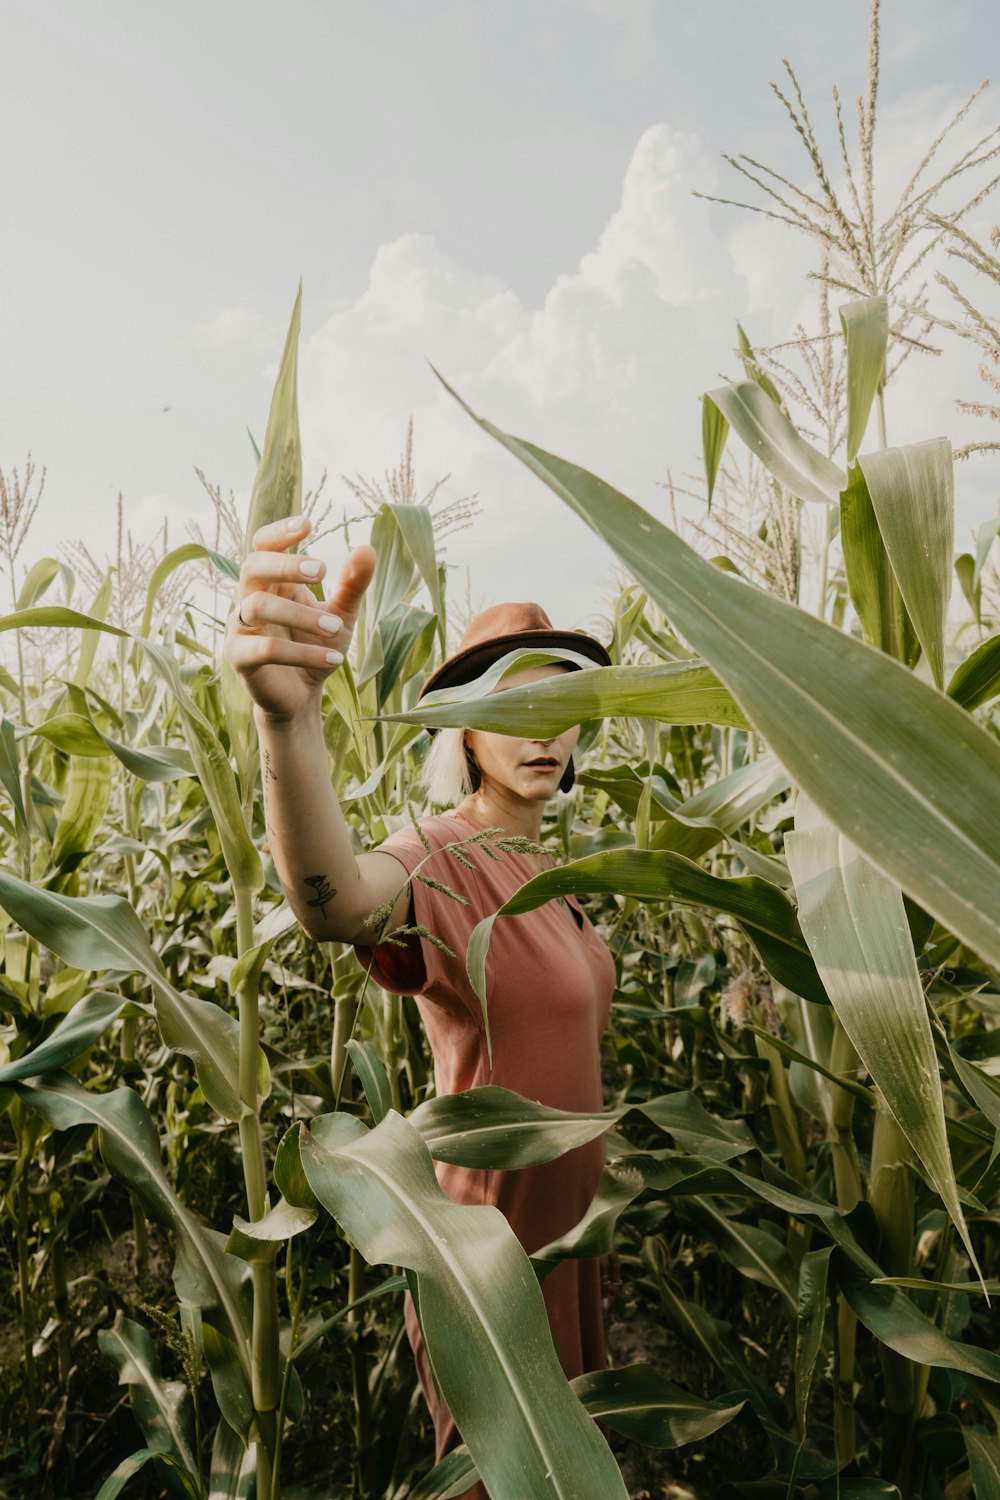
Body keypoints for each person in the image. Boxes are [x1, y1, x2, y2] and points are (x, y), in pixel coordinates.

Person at [225, 516, 617, 1495]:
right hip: (489, 1255)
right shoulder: (441, 855)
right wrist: (288, 723)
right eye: (509, 706)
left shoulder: (558, 872)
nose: (541, 730)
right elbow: (336, 902)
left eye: (559, 703)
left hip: (570, 1240)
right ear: (462, 731)